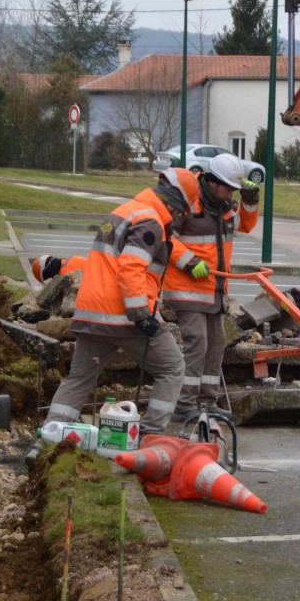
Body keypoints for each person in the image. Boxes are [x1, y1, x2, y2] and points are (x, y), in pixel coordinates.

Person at [43, 168, 201, 436]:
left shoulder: (126, 211)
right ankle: (151, 438)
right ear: (175, 204)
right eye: (181, 211)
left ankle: (49, 437)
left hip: (93, 313)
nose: (179, 217)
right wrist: (141, 315)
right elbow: (131, 268)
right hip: (124, 315)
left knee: (79, 380)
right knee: (172, 367)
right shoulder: (150, 222)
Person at [162, 152, 259, 419]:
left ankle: (207, 402)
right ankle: (184, 406)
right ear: (213, 182)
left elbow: (245, 225)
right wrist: (189, 261)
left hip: (214, 291)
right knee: (198, 343)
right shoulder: (187, 201)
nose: (231, 195)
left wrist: (250, 201)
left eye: (234, 190)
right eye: (229, 188)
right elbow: (166, 237)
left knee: (217, 344)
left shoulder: (225, 206)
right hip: (187, 288)